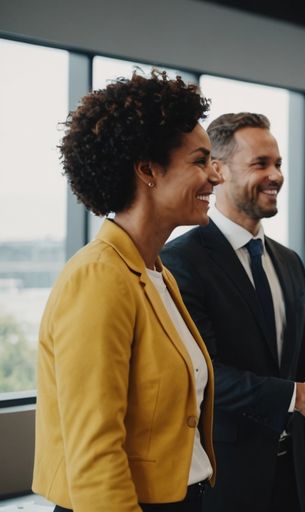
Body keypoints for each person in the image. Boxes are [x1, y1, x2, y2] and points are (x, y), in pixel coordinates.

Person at [32, 71, 219, 511]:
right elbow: (95, 450)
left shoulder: (156, 273)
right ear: (148, 170)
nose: (215, 176)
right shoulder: (98, 276)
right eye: (200, 161)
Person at [162, 113, 305, 512]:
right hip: (223, 482)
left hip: (291, 481)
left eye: (279, 164)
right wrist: (297, 396)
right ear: (217, 170)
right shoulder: (180, 261)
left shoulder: (289, 263)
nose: (275, 175)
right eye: (260, 164)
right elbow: (204, 373)